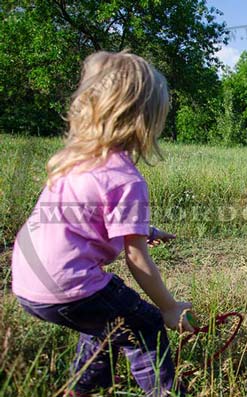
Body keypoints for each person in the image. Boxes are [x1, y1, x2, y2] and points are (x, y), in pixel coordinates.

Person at [11, 51, 194, 397]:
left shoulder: (72, 161)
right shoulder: (127, 179)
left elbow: (79, 218)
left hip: (27, 282)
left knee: (105, 324)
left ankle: (79, 389)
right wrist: (168, 308)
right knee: (145, 326)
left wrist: (147, 231)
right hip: (70, 284)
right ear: (143, 119)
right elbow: (136, 260)